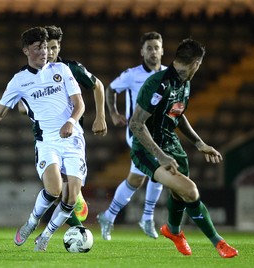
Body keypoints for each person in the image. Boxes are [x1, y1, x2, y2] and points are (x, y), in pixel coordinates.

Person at [0, 26, 87, 252]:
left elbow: (80, 105)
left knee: (72, 197)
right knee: (54, 189)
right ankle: (31, 222)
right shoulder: (19, 80)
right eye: (38, 48)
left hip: (73, 139)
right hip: (47, 142)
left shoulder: (63, 70)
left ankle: (45, 236)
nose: (44, 52)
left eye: (46, 47)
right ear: (26, 50)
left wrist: (71, 122)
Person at [128, 38, 238, 258]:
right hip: (148, 150)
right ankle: (219, 242)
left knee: (180, 194)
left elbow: (177, 113)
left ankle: (173, 230)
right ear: (196, 63)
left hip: (172, 146)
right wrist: (160, 156)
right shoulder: (158, 83)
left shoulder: (184, 83)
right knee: (190, 190)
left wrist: (199, 143)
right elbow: (136, 124)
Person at [18, 25, 107, 227]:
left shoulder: (70, 69)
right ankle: (77, 229)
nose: (48, 53)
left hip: (71, 133)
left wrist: (100, 116)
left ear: (59, 48)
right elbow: (21, 105)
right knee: (56, 186)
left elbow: (97, 85)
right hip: (45, 135)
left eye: (53, 48)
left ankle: (76, 224)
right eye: (45, 48)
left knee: (66, 186)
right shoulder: (31, 73)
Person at [97, 32, 166, 240]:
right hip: (136, 131)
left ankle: (108, 217)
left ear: (162, 51)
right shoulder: (131, 75)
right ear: (142, 52)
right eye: (149, 48)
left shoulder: (168, 74)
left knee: (136, 179)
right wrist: (113, 113)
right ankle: (147, 217)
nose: (153, 52)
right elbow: (110, 89)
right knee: (160, 167)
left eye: (156, 47)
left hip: (159, 133)